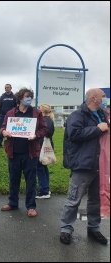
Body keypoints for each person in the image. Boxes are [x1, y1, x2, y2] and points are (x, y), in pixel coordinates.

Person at [59, 88, 109, 245]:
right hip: (83, 164)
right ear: (94, 98)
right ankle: (66, 229)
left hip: (100, 165)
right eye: (103, 96)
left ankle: (94, 228)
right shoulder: (77, 115)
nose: (105, 99)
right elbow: (74, 134)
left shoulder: (102, 114)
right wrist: (97, 129)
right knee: (74, 199)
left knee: (96, 200)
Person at [0, 87, 47, 218]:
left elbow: (44, 128)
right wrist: (3, 132)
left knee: (31, 180)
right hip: (14, 152)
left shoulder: (36, 113)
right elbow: (2, 127)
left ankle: (31, 206)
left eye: (30, 97)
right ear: (20, 98)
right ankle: (13, 203)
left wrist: (36, 135)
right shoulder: (10, 113)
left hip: (30, 152)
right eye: (26, 96)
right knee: (13, 179)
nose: (29, 99)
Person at [36, 104, 55, 199]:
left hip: (41, 146)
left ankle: (44, 191)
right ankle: (46, 188)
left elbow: (45, 133)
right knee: (44, 167)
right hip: (47, 146)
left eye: (39, 108)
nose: (38, 109)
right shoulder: (50, 120)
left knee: (39, 167)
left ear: (43, 110)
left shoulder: (44, 120)